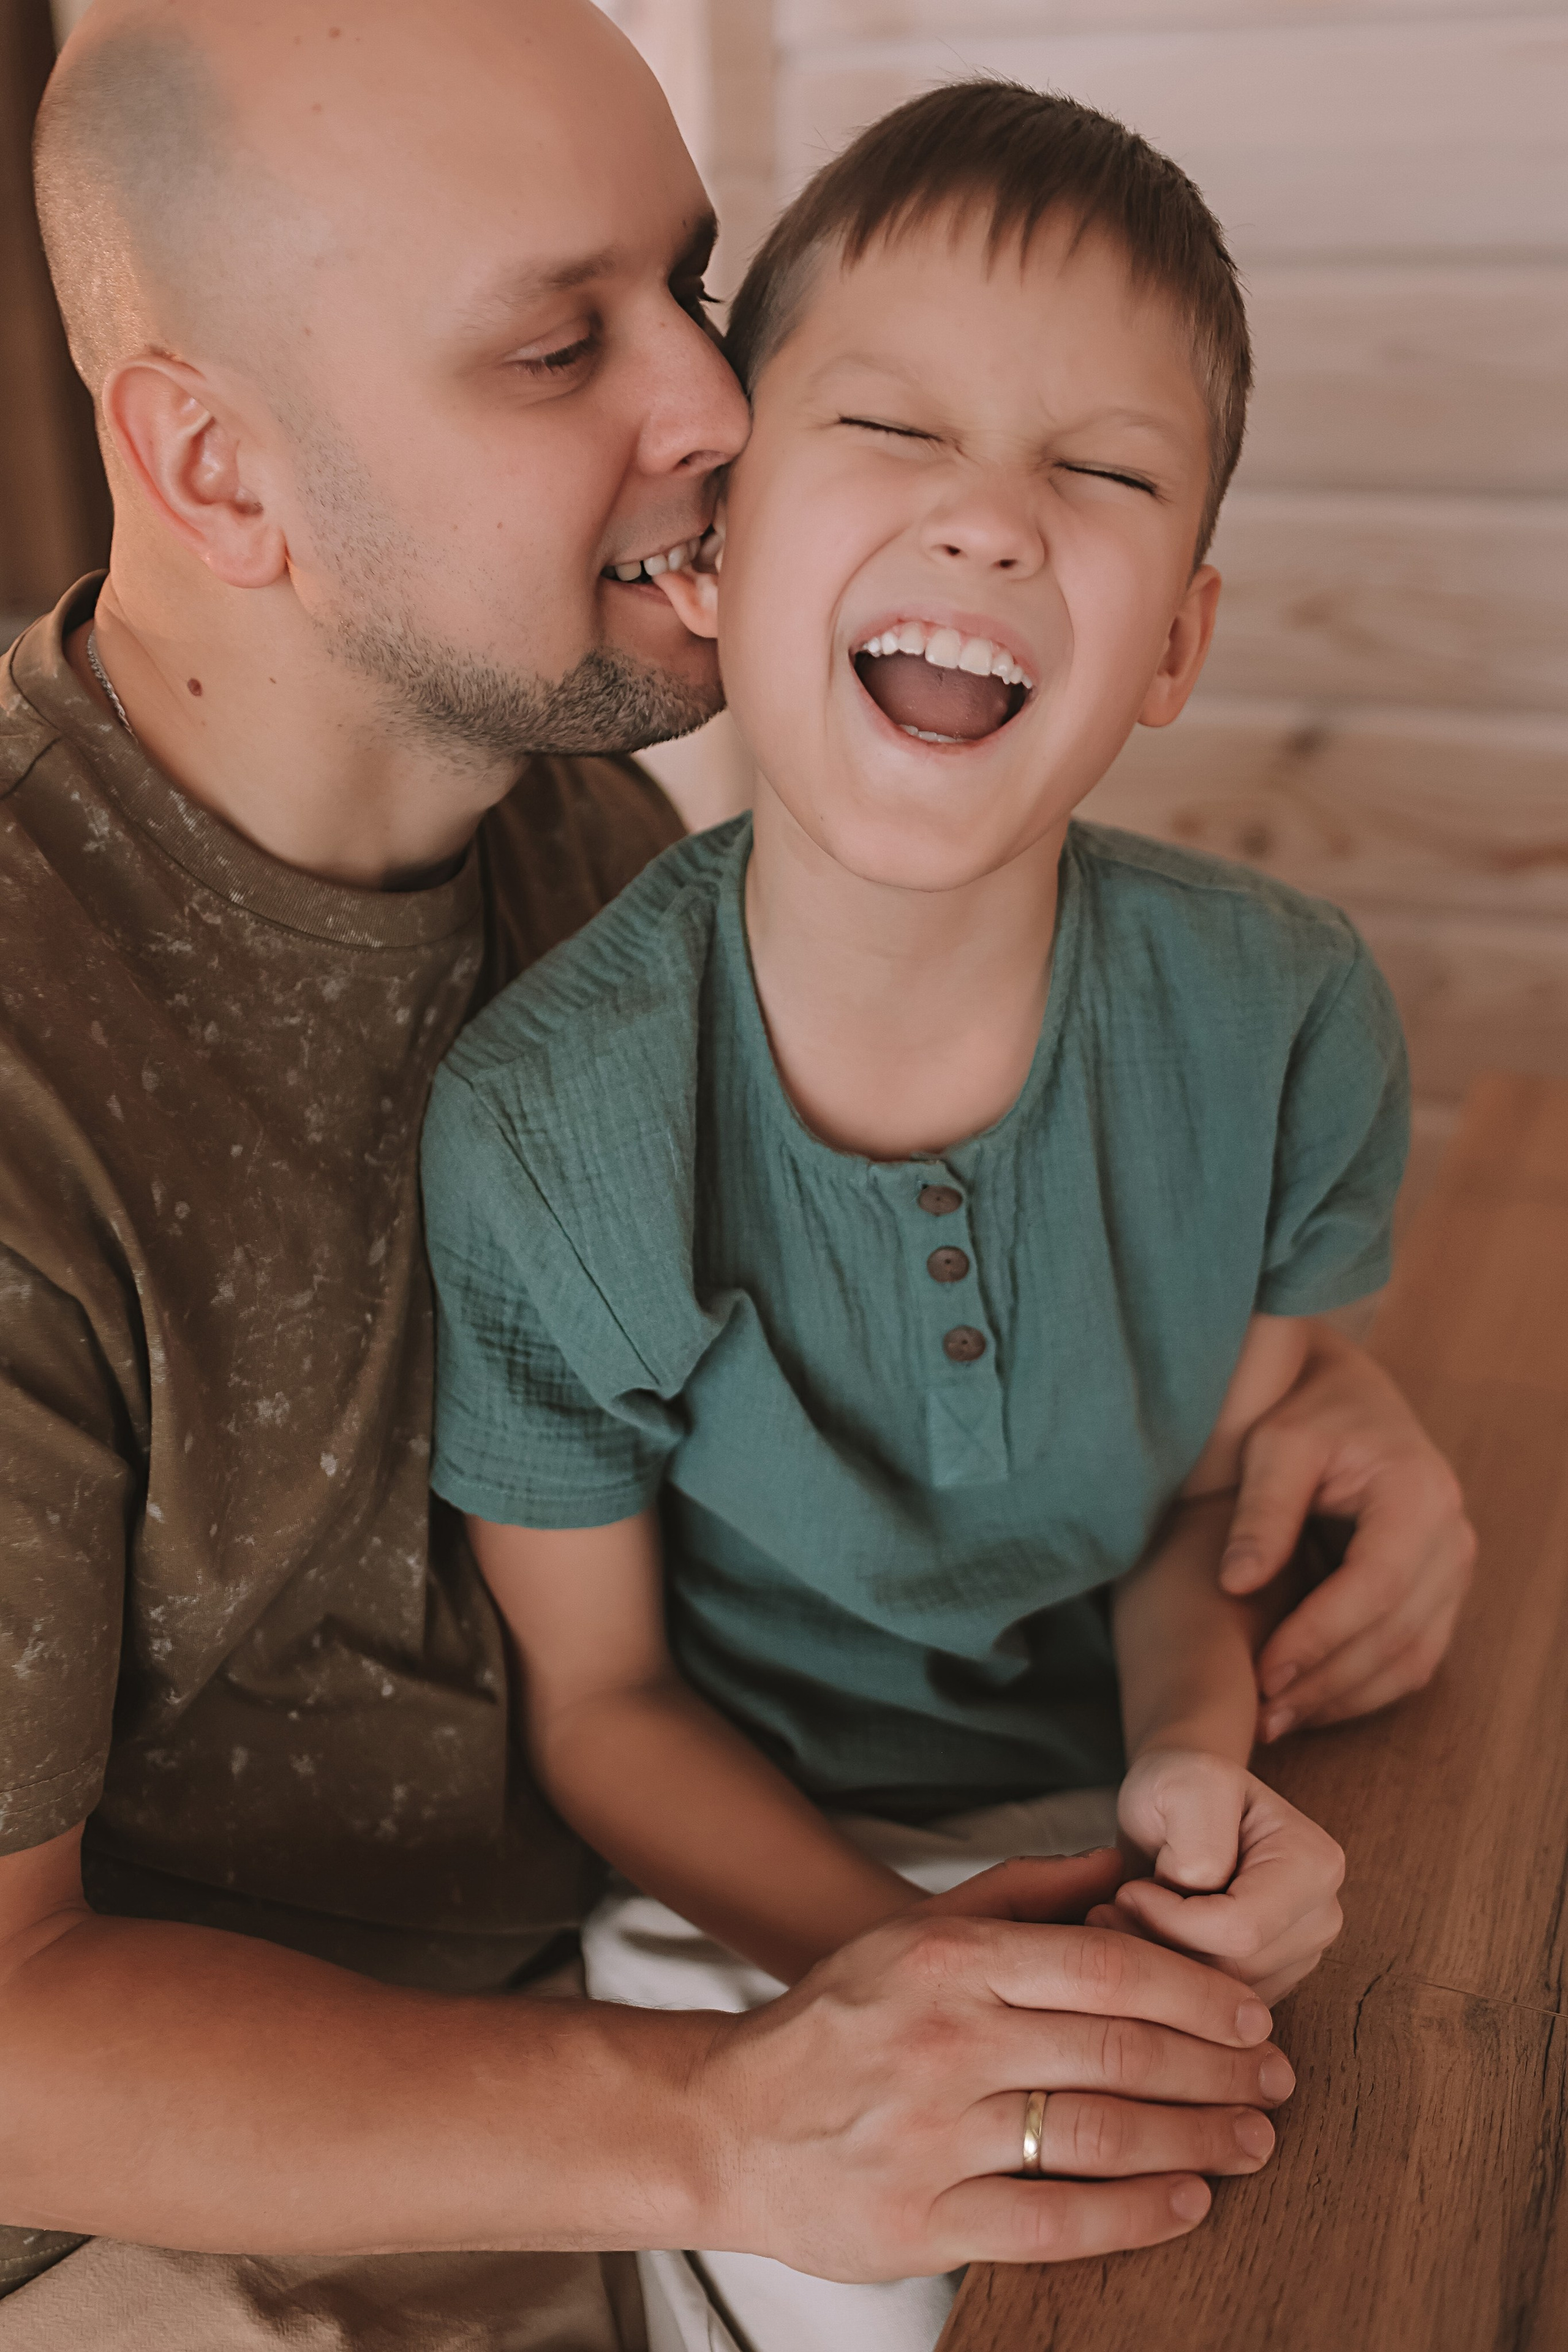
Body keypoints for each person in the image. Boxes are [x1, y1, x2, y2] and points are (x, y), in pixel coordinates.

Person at [0, 4, 1471, 2348]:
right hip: (179, 2219)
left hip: (705, 1996)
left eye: (689, 286)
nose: (718, 407)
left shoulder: (579, 817)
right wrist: (727, 2114)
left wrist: (1308, 1397)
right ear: (215, 467)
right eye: (552, 344)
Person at [420, 83, 1428, 2352]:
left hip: (1113, 1828)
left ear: (1171, 644)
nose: (990, 522)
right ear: (719, 546)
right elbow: (600, 1706)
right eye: (892, 427)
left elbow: (1193, 1510)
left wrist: (1196, 1761)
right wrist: (904, 1959)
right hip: (749, 1895)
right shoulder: (550, 1129)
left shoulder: (1284, 1020)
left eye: (1101, 472)